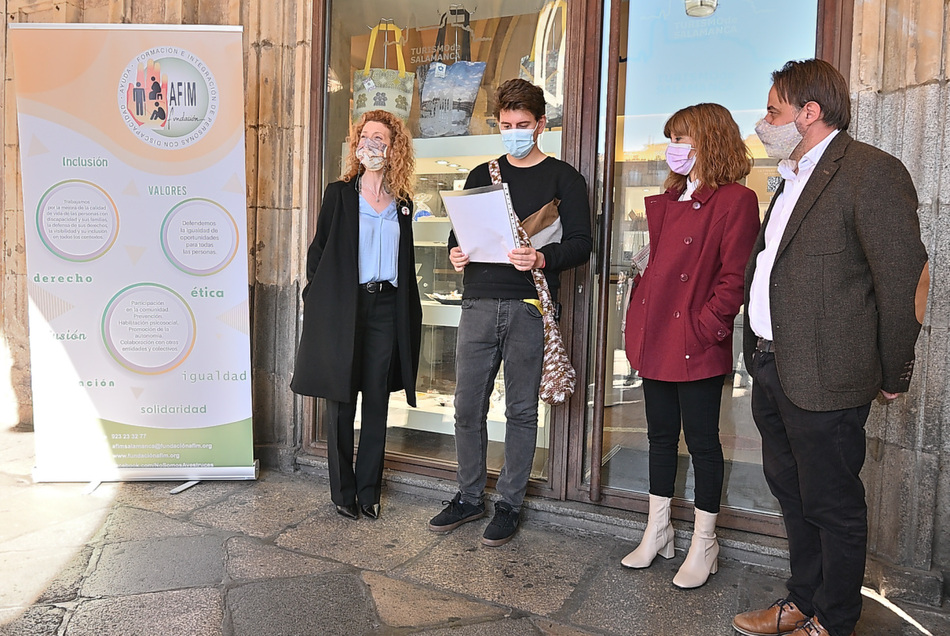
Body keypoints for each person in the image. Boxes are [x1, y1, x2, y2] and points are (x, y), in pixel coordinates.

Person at [732, 59, 928, 636]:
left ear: (810, 113)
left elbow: (901, 280)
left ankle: (835, 620)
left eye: (774, 111)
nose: (764, 122)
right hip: (772, 365)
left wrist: (895, 370)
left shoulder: (871, 172)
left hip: (829, 374)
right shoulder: (792, 175)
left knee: (832, 505)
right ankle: (803, 598)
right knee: (792, 494)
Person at [428, 78, 592, 546]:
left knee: (521, 410)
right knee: (466, 407)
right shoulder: (484, 173)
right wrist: (457, 252)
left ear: (541, 124)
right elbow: (459, 235)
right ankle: (468, 496)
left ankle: (510, 504)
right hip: (478, 301)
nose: (514, 132)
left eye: (523, 125)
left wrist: (542, 258)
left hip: (528, 307)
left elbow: (582, 244)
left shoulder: (565, 178)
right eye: (506, 125)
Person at [620, 103, 760, 588]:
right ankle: (658, 531)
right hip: (658, 334)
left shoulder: (736, 199)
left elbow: (733, 277)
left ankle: (705, 543)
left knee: (702, 442)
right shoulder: (673, 195)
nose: (673, 148)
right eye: (671, 138)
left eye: (682, 137)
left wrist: (704, 327)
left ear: (708, 140)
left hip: (694, 340)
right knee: (660, 436)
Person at [290, 109, 422, 521]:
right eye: (365, 137)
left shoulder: (403, 203)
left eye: (379, 138)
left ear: (393, 146)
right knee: (341, 401)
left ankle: (369, 491)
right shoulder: (340, 194)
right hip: (345, 307)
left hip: (386, 307)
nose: (370, 144)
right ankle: (342, 491)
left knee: (377, 402)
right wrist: (317, 296)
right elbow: (318, 252)